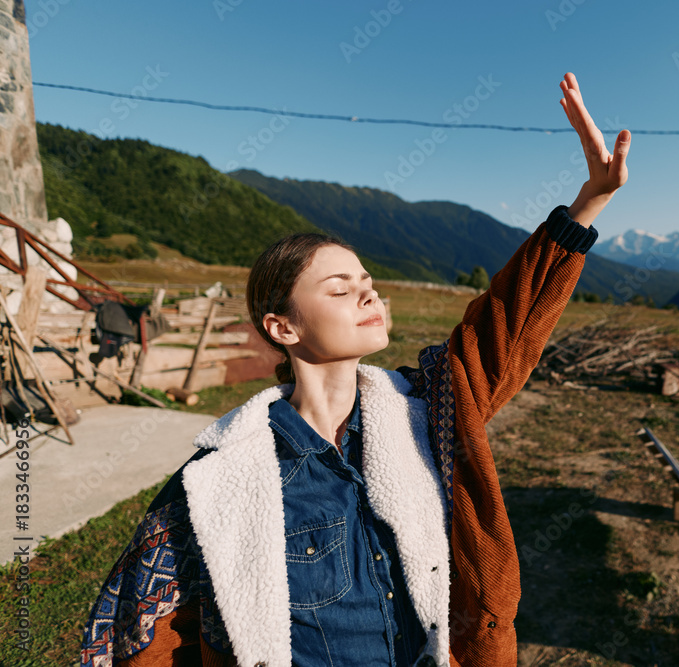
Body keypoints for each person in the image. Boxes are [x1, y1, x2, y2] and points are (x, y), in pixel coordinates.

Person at [79, 72, 630, 667]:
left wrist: (590, 200)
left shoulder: (429, 413)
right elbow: (138, 635)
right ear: (282, 328)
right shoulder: (222, 478)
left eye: (367, 282)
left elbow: (504, 328)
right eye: (340, 289)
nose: (369, 295)